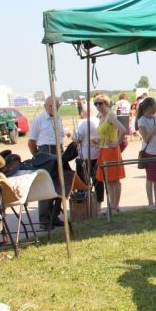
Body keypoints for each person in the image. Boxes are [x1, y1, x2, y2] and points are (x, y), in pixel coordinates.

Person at [28, 96, 70, 226]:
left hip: (59, 150)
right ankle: (44, 219)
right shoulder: (38, 120)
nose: (54, 108)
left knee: (60, 185)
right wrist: (38, 156)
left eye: (56, 106)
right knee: (46, 186)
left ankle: (54, 215)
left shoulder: (59, 119)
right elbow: (31, 142)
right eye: (51, 105)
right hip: (45, 151)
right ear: (46, 106)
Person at [94, 94, 127, 214]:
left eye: (100, 103)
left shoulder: (110, 115)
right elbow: (101, 133)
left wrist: (117, 142)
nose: (98, 106)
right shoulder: (100, 116)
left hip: (111, 151)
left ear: (106, 103)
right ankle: (111, 205)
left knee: (114, 180)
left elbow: (123, 129)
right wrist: (96, 140)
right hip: (103, 150)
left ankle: (115, 205)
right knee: (108, 180)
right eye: (96, 103)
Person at [136, 97, 156, 207]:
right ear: (148, 107)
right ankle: (150, 203)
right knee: (150, 177)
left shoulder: (155, 118)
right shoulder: (141, 120)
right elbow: (146, 138)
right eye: (154, 107)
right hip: (149, 152)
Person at [73, 107, 101, 206]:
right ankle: (98, 205)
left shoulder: (83, 123)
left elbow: (77, 139)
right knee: (98, 181)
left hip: (84, 156)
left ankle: (84, 204)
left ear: (85, 112)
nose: (80, 113)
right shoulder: (99, 121)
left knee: (83, 183)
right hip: (97, 155)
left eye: (81, 111)